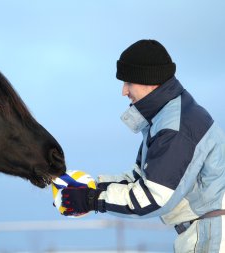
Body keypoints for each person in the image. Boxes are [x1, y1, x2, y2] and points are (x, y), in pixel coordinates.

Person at [61, 39, 225, 252]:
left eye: (128, 82)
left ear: (150, 80)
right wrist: (90, 187)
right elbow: (140, 180)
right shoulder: (165, 120)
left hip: (212, 234)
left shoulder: (176, 127)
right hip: (204, 230)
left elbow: (153, 197)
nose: (123, 91)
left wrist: (93, 200)